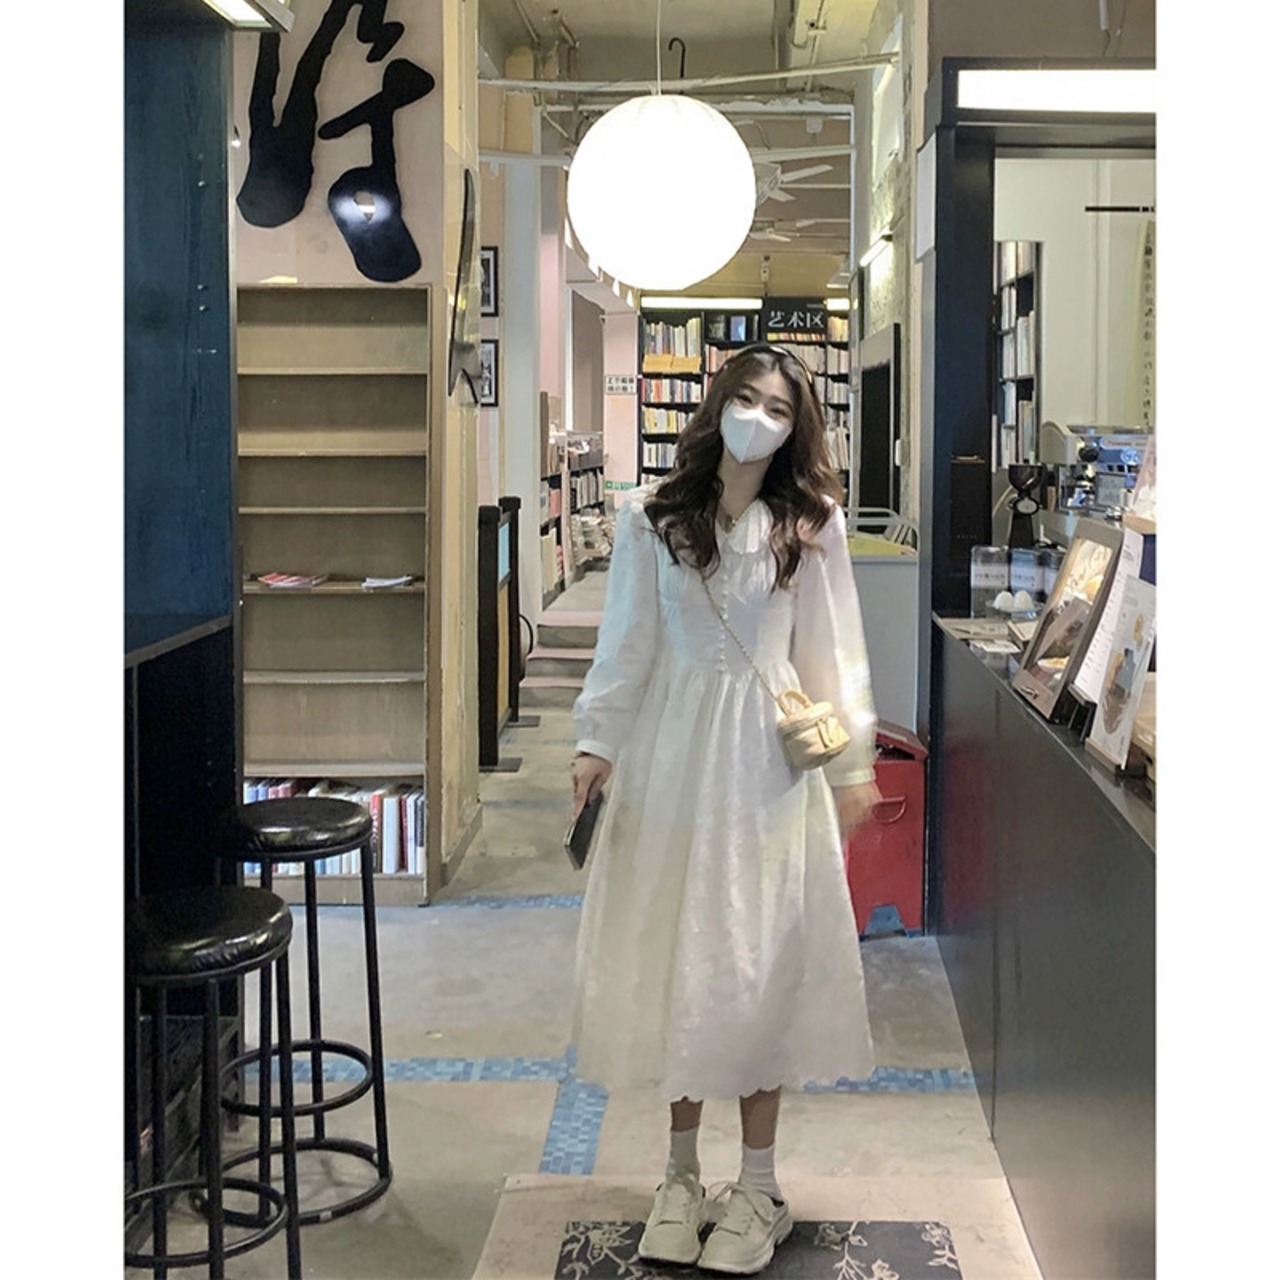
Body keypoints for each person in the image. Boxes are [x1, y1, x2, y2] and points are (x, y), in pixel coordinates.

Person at [568, 343, 882, 1275]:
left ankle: (758, 1185)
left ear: (797, 428)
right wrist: (596, 742)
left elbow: (833, 650)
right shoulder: (653, 517)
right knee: (681, 959)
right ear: (717, 404)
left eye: (779, 409)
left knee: (757, 963)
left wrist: (852, 766)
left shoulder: (811, 525)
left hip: (767, 770)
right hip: (671, 760)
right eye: (746, 398)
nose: (758, 419)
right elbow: (627, 642)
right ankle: (678, 1178)